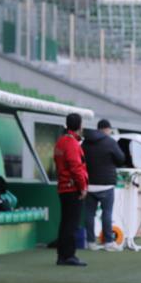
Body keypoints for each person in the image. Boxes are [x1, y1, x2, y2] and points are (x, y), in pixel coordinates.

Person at [83, 119, 126, 250]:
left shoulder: (85, 142)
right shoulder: (110, 142)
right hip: (106, 184)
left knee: (89, 214)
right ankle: (108, 242)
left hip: (89, 184)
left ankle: (90, 242)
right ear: (107, 129)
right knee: (107, 213)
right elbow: (121, 159)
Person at [53, 112, 88, 266]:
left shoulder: (61, 142)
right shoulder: (72, 144)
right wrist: (83, 187)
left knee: (65, 222)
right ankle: (69, 256)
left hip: (63, 187)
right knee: (71, 224)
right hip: (72, 188)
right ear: (79, 126)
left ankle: (62, 255)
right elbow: (76, 167)